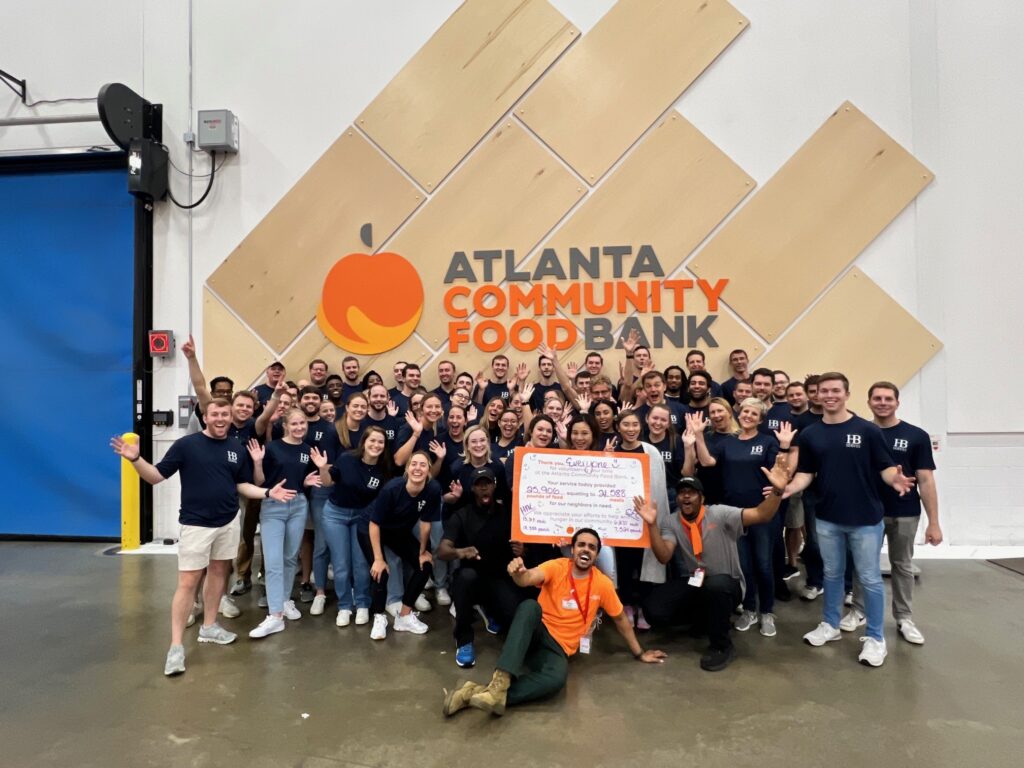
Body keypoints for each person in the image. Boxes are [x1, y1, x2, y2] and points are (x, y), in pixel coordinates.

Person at [111, 398, 295, 676]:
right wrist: (136, 459)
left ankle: (209, 627)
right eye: (215, 414)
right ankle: (175, 647)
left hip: (228, 521)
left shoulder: (236, 447)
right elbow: (156, 477)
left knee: (220, 571)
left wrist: (268, 492)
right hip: (196, 525)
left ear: (231, 417)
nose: (220, 419)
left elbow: (243, 484)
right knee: (188, 582)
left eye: (225, 414)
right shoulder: (187, 445)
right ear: (205, 417)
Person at [442, 528, 666, 717]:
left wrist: (639, 653)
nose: (586, 550)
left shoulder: (603, 584)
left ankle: (474, 694)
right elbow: (528, 578)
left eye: (592, 547)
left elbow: (620, 619)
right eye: (581, 545)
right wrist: (518, 573)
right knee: (530, 607)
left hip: (558, 649)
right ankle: (500, 681)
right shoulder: (557, 566)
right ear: (573, 549)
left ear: (597, 555)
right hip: (535, 633)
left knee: (556, 681)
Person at [782, 372, 916, 667]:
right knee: (832, 574)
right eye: (823, 391)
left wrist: (895, 479)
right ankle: (830, 626)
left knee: (868, 578)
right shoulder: (811, 434)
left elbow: (885, 467)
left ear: (846, 394)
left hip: (866, 520)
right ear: (816, 395)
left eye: (835, 391)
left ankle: (875, 638)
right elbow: (806, 473)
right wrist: (789, 487)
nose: (829, 395)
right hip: (828, 517)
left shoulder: (867, 431)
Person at [635, 456, 790, 671]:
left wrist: (777, 491)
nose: (685, 496)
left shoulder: (719, 513)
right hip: (697, 582)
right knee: (654, 608)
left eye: (691, 492)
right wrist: (651, 525)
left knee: (715, 586)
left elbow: (761, 514)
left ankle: (721, 645)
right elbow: (664, 556)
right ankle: (704, 621)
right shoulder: (672, 521)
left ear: (702, 498)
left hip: (729, 584)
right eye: (681, 493)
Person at [845, 381, 942, 645]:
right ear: (869, 402)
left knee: (902, 565)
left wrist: (934, 523)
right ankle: (858, 611)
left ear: (897, 403)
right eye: (877, 398)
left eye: (888, 398)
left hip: (904, 512)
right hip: (867, 513)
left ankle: (904, 617)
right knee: (863, 565)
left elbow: (926, 480)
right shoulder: (859, 433)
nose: (883, 403)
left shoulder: (916, 436)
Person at [688, 402, 793, 637]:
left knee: (763, 565)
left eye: (753, 413)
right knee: (744, 567)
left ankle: (767, 612)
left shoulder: (767, 442)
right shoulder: (728, 443)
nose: (747, 416)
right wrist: (698, 435)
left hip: (762, 512)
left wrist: (784, 447)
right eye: (745, 411)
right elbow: (706, 462)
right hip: (735, 515)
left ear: (760, 419)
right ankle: (749, 610)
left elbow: (780, 471)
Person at [437, 466, 530, 668]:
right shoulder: (462, 515)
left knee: (514, 616)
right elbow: (442, 551)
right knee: (465, 578)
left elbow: (524, 550)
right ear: (472, 489)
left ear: (494, 486)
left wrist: (522, 551)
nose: (484, 489)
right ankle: (464, 640)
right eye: (479, 485)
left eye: (488, 484)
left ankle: (490, 610)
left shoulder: (507, 514)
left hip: (499, 577)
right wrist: (461, 552)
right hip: (472, 579)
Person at [245, 408, 322, 639]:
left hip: (298, 504)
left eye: (303, 424)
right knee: (273, 560)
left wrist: (306, 482)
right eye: (295, 424)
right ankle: (275, 615)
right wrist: (258, 463)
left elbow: (301, 479)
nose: (299, 428)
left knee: (290, 557)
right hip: (274, 506)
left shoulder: (308, 450)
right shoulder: (273, 448)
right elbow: (259, 481)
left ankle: (285, 599)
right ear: (286, 426)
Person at [311, 426, 394, 628]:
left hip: (362, 517)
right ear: (364, 442)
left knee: (361, 564)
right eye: (372, 441)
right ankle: (345, 606)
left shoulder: (384, 469)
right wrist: (323, 467)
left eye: (380, 442)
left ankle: (363, 603)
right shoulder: (347, 459)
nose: (376, 445)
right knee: (341, 564)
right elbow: (328, 482)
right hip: (335, 515)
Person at [358, 451, 441, 640]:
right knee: (381, 571)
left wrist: (422, 551)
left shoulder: (433, 489)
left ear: (429, 470)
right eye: (414, 464)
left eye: (423, 465)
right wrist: (378, 559)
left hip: (398, 531)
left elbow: (426, 523)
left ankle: (404, 616)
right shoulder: (393, 488)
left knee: (425, 565)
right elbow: (374, 523)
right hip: (370, 527)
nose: (418, 468)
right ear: (407, 468)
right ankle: (379, 617)